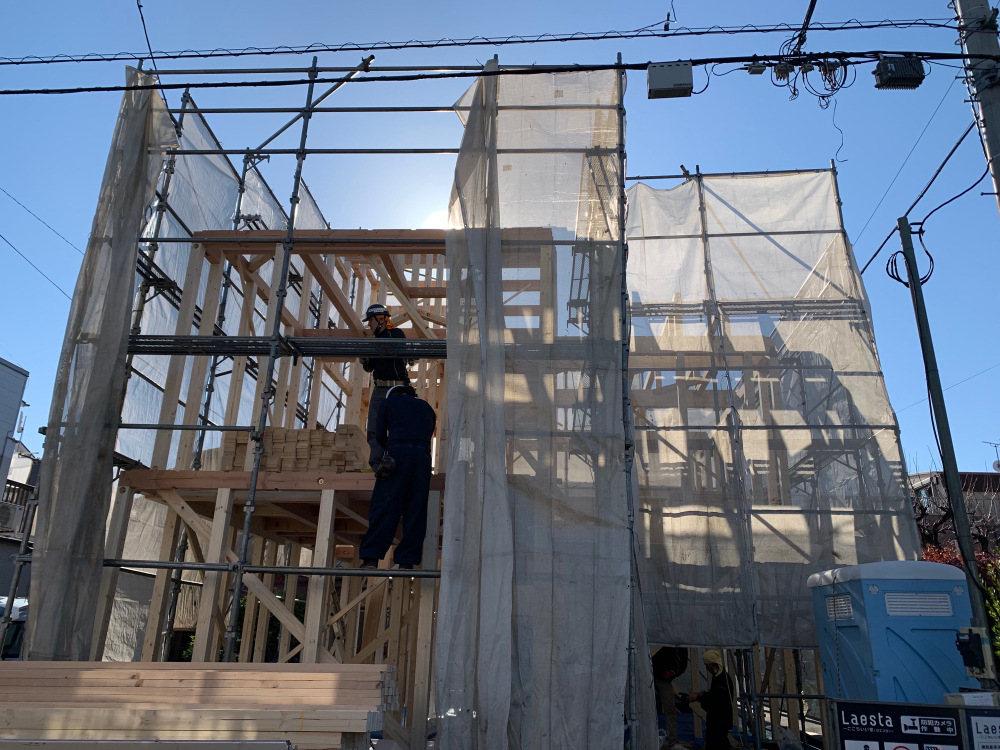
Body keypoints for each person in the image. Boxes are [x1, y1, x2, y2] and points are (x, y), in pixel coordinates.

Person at [358, 384, 436, 569]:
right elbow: (428, 434)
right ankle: (407, 562)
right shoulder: (427, 408)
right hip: (422, 460)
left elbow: (378, 434)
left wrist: (390, 448)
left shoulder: (388, 403)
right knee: (416, 510)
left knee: (385, 505)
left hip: (398, 456)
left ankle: (371, 558)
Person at [359, 303, 409, 470]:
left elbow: (398, 352)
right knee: (374, 426)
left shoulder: (396, 334)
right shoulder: (375, 342)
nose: (369, 325)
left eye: (371, 321)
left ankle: (397, 461)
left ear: (380, 319)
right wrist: (366, 361)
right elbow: (371, 367)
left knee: (397, 426)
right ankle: (377, 463)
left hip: (397, 387)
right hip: (380, 388)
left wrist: (375, 349)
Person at [686, 650, 735, 750]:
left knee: (717, 743)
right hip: (718, 719)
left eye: (707, 665)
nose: (706, 668)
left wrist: (698, 697)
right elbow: (714, 695)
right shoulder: (719, 676)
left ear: (713, 664)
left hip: (719, 720)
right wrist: (703, 694)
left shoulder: (721, 679)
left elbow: (716, 701)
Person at [652, 646, 688, 748]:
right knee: (645, 707)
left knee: (670, 708)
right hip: (650, 675)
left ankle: (673, 740)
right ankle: (645, 736)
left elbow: (682, 661)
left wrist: (673, 672)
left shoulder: (675, 641)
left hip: (663, 678)